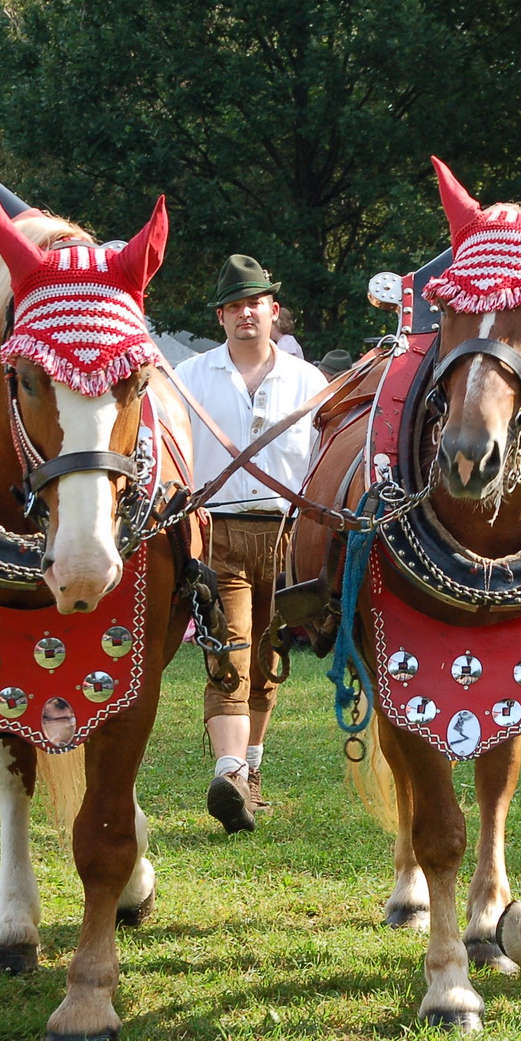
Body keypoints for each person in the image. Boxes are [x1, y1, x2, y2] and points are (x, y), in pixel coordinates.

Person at [176, 255, 326, 832]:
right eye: (235, 305)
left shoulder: (308, 381)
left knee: (267, 657)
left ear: (273, 310)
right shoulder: (190, 377)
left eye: (255, 302)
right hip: (218, 531)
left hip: (289, 534)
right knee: (229, 649)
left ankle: (248, 775)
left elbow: (321, 465)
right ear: (221, 316)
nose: (246, 313)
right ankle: (230, 766)